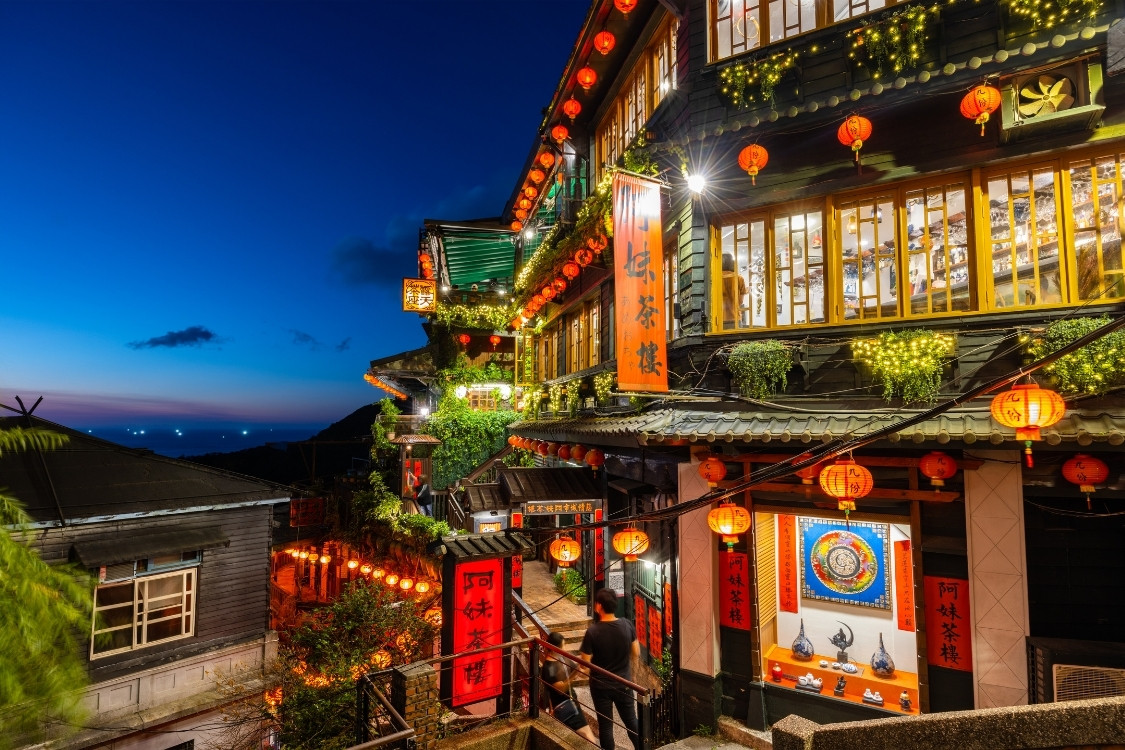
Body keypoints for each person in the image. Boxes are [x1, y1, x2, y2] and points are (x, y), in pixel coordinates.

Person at [579, 588, 640, 750]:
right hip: (624, 683)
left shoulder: (592, 632)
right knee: (632, 722)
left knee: (605, 726)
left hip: (600, 686)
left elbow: (585, 664)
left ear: (599, 606)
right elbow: (636, 652)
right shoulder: (627, 625)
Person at [542, 631, 597, 743]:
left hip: (572, 703)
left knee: (584, 739)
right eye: (562, 647)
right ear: (554, 648)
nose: (564, 649)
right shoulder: (548, 668)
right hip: (563, 706)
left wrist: (584, 666)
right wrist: (574, 674)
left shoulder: (562, 659)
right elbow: (560, 689)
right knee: (589, 739)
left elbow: (579, 671)